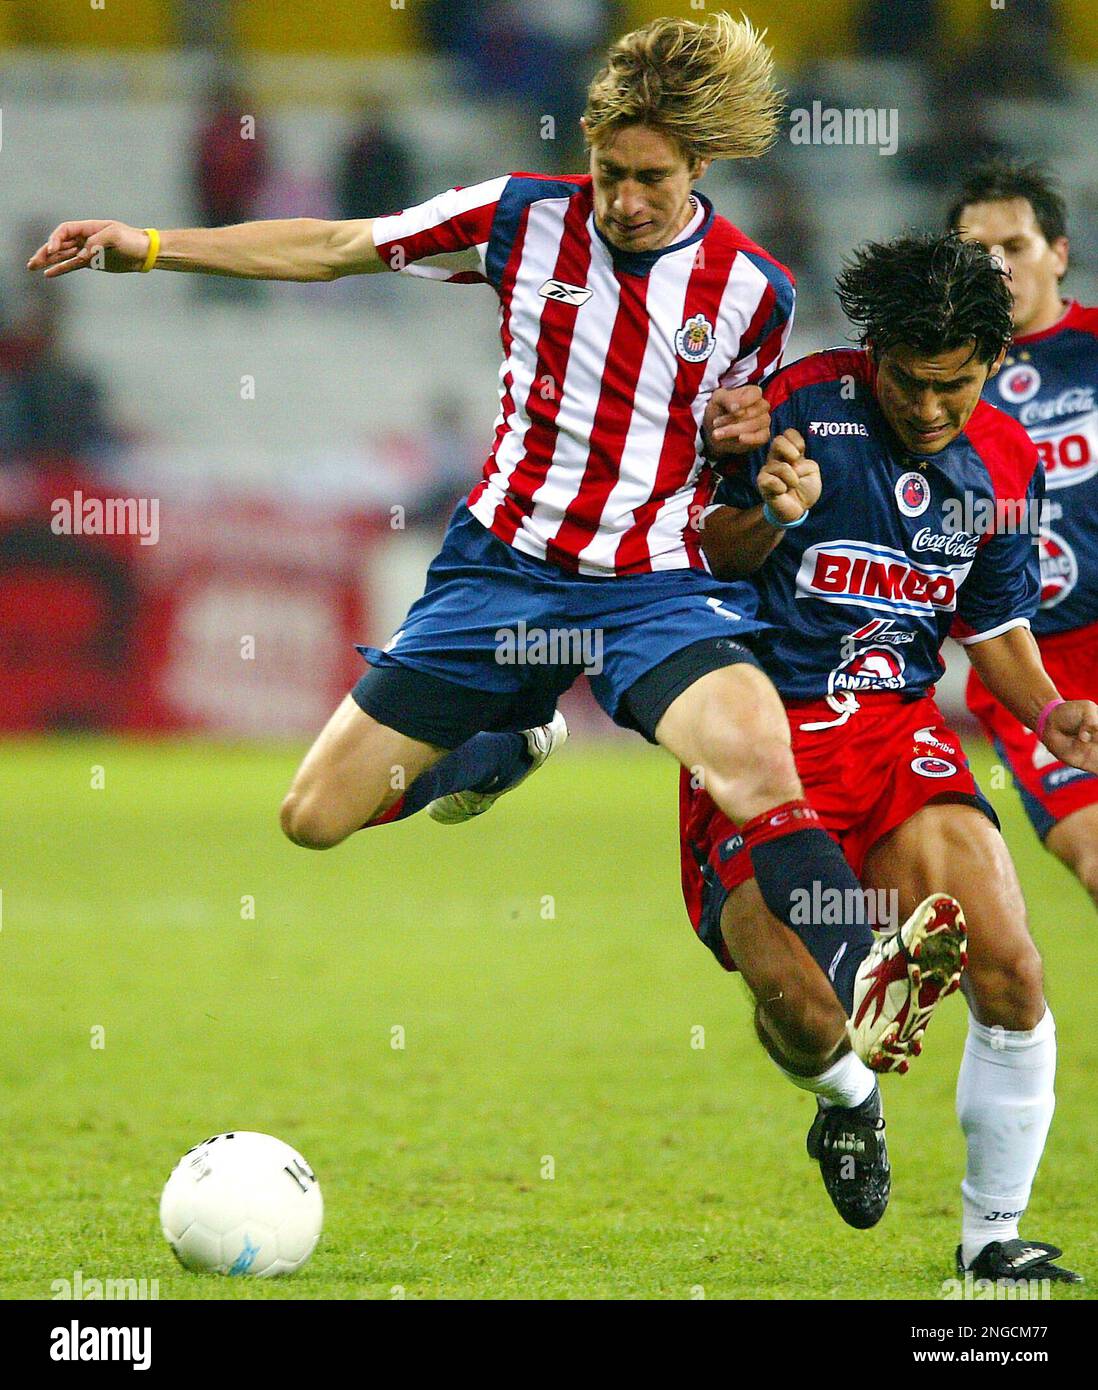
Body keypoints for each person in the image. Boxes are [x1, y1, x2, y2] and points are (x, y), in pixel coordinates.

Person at [27, 14, 964, 1078]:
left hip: (654, 588)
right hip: (503, 572)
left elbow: (731, 450)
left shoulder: (757, 292)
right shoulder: (519, 216)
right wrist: (152, 246)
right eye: (609, 173)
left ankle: (866, 964)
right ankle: (501, 748)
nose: (625, 199)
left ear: (699, 166)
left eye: (651, 179)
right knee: (314, 817)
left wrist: (756, 454)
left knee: (753, 759)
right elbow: (336, 247)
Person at [692, 231, 1093, 1278]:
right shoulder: (793, 407)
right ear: (874, 354)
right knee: (806, 1013)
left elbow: (993, 626)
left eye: (953, 386)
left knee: (1011, 967)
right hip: (755, 734)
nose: (927, 408)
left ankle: (992, 1243)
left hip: (897, 734)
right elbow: (706, 551)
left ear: (994, 362)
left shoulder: (1006, 459)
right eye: (908, 382)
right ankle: (847, 1098)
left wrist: (1049, 711)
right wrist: (770, 512)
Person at [949, 161, 1098, 910]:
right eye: (979, 253)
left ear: (1059, 253)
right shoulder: (933, 376)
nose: (999, 267)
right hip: (1027, 665)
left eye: (1016, 246)